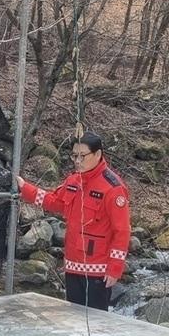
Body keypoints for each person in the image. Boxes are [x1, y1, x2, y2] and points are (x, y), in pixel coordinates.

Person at [17, 131, 131, 311]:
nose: (77, 161)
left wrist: (115, 268)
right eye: (74, 156)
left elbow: (122, 231)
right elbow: (54, 202)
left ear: (98, 154)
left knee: (95, 321)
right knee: (73, 317)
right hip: (72, 264)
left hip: (97, 269)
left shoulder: (113, 188)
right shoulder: (73, 180)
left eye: (82, 156)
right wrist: (25, 189)